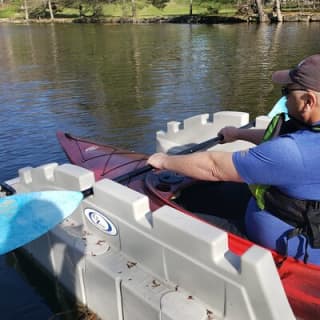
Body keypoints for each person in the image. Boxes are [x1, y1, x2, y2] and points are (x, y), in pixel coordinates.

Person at [147, 54, 320, 265]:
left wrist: (164, 161)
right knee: (209, 192)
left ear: (309, 101)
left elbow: (214, 167)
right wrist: (238, 134)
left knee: (174, 220)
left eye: (287, 92)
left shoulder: (293, 152)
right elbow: (280, 140)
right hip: (278, 209)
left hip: (279, 249)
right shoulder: (308, 139)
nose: (283, 99)